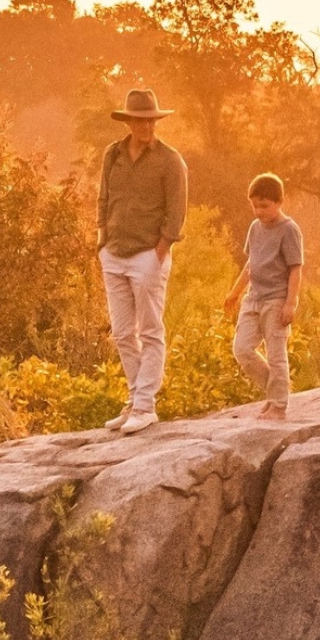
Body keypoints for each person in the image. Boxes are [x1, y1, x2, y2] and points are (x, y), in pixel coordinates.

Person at [97, 89, 187, 434]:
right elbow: (103, 197)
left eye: (150, 120)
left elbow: (176, 210)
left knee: (150, 332)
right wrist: (101, 240)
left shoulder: (170, 160)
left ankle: (146, 406)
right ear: (129, 121)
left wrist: (160, 251)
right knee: (122, 333)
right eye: (139, 119)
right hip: (114, 253)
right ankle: (135, 400)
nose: (146, 125)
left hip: (148, 255)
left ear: (156, 121)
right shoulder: (112, 154)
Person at [221, 173, 305, 421]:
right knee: (242, 349)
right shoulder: (255, 228)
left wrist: (290, 303)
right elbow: (251, 263)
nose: (258, 211)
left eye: (264, 206)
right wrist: (234, 293)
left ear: (279, 202)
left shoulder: (289, 230)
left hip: (276, 300)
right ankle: (276, 389)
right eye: (255, 205)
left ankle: (278, 405)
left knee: (276, 354)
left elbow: (295, 269)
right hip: (253, 298)